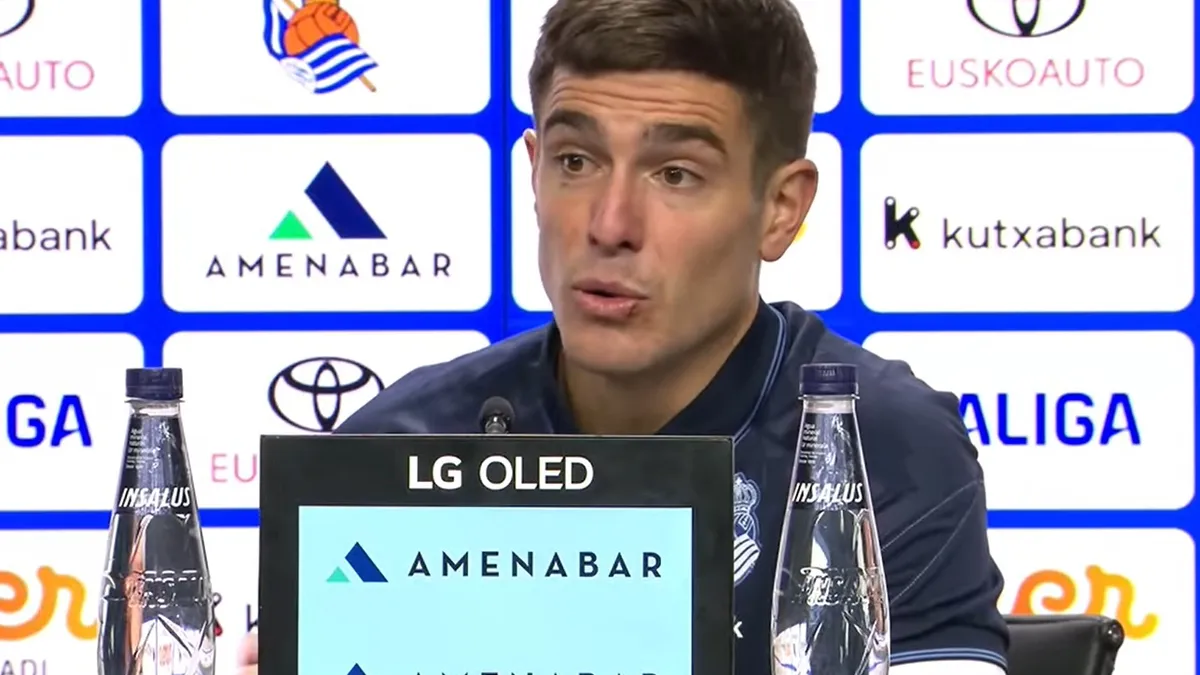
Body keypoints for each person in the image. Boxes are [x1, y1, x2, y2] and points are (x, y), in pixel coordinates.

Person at [237, 0, 1010, 673]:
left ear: (781, 209)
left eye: (675, 174)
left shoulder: (878, 448)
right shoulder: (397, 446)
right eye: (576, 161)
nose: (609, 225)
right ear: (533, 172)